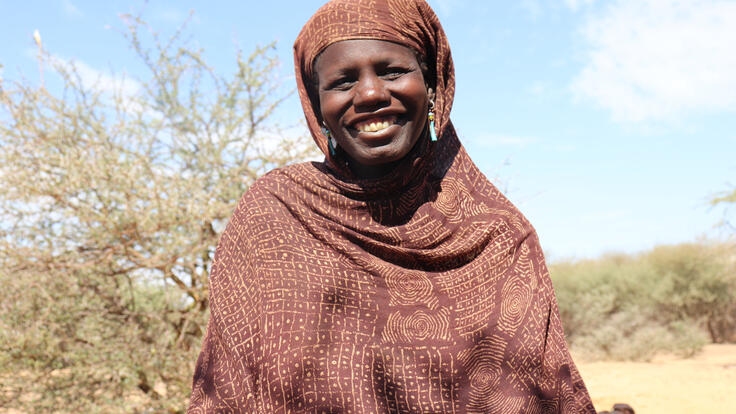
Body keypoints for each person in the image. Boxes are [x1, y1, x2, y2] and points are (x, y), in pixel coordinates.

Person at [188, 0, 596, 412]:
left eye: (392, 71)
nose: (369, 94)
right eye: (343, 82)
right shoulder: (274, 217)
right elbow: (225, 390)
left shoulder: (498, 237)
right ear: (318, 109)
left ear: (432, 86)